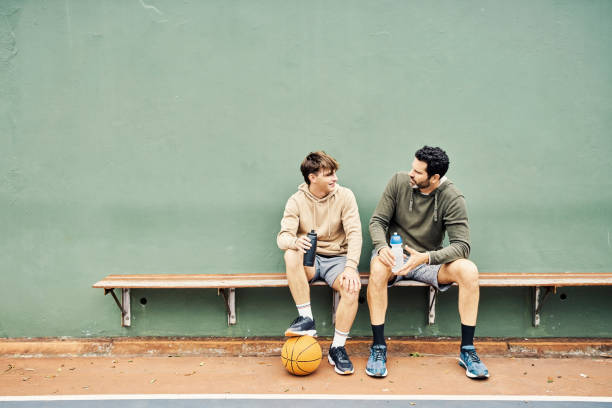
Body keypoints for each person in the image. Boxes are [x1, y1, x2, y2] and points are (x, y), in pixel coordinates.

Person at [366, 146, 489, 379]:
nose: (411, 174)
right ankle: (378, 347)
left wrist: (427, 257)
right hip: (395, 255)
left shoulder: (452, 197)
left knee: (469, 270)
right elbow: (377, 221)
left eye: (418, 172)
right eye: (412, 168)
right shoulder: (398, 182)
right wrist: (382, 248)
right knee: (377, 268)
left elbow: (462, 246)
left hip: (428, 260)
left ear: (435, 177)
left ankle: (467, 350)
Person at [277, 151, 362, 375]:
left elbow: (355, 234)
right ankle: (307, 319)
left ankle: (338, 348)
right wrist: (296, 241)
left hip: (338, 259)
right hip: (310, 260)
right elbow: (282, 237)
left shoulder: (345, 196)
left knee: (352, 288)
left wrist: (351, 268)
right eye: (328, 174)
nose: (335, 178)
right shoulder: (296, 200)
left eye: (334, 173)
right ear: (312, 177)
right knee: (289, 253)